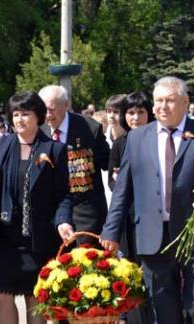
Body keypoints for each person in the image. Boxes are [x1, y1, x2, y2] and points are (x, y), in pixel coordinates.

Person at [100, 76, 194, 323]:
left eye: (170, 101)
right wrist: (110, 231)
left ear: (185, 102)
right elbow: (123, 189)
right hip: (153, 236)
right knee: (163, 308)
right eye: (158, 101)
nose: (163, 106)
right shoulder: (137, 138)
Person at [0, 91, 74, 324]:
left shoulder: (54, 150)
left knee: (34, 299)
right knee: (2, 296)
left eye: (25, 114)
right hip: (4, 237)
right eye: (15, 114)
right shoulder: (1, 146)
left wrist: (63, 220)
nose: (19, 120)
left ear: (38, 116)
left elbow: (63, 195)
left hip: (38, 239)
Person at [39, 85, 110, 245]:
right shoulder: (38, 130)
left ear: (66, 105)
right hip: (49, 211)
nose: (48, 115)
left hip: (85, 210)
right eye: (44, 110)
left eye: (52, 109)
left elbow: (108, 162)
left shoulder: (89, 128)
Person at [106, 91, 154, 324]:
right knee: (130, 270)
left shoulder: (157, 139)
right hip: (128, 216)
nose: (135, 117)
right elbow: (112, 181)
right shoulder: (120, 143)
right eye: (131, 113)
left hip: (153, 216)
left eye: (140, 112)